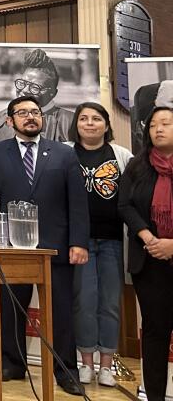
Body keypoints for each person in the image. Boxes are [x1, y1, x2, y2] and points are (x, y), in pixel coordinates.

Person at [0, 95, 89, 396]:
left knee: (61, 313)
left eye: (35, 112)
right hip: (11, 249)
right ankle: (12, 364)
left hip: (56, 248)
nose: (31, 117)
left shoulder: (63, 154)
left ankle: (66, 370)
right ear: (9, 120)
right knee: (10, 309)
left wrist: (78, 242)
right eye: (23, 112)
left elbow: (77, 202)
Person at [67, 102, 132, 387]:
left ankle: (107, 365)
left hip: (114, 241)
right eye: (84, 118)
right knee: (84, 302)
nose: (90, 123)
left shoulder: (122, 156)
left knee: (109, 303)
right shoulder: (64, 153)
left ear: (106, 124)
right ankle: (86, 364)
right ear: (76, 124)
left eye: (96, 118)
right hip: (78, 242)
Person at [118, 106, 173, 401]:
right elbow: (124, 205)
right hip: (149, 261)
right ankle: (154, 396)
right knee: (155, 331)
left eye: (166, 123)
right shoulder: (137, 166)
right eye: (153, 125)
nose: (158, 129)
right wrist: (148, 237)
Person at [0, 49, 74, 144]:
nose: (24, 90)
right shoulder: (3, 116)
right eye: (22, 83)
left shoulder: (69, 123)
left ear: (52, 93)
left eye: (35, 87)